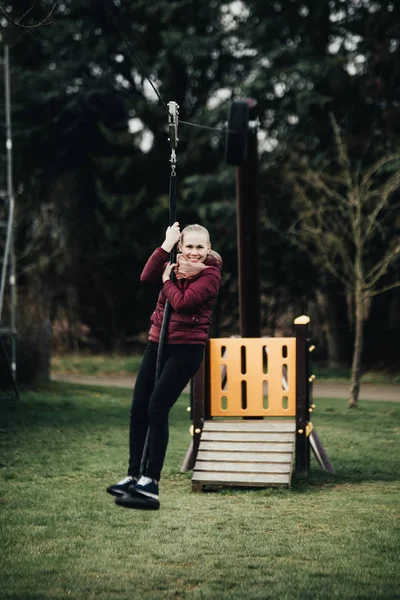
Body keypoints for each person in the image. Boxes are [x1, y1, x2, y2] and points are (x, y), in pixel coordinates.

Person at [107, 222, 222, 508]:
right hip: (157, 342)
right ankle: (132, 475)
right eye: (188, 246)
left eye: (200, 247)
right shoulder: (172, 261)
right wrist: (166, 245)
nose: (194, 253)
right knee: (138, 408)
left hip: (186, 349)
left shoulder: (210, 275)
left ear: (208, 249)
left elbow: (183, 303)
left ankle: (151, 481)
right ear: (182, 247)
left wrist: (167, 280)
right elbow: (146, 277)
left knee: (157, 408)